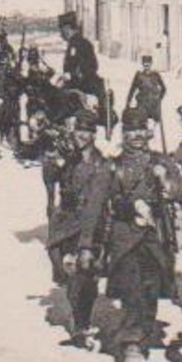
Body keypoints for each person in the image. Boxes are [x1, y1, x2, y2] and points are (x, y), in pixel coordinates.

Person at [78, 122, 177, 362]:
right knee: (132, 291)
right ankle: (131, 348)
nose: (136, 136)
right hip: (124, 240)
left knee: (150, 292)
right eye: (130, 131)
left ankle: (141, 345)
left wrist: (166, 180)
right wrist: (86, 244)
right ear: (124, 135)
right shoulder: (112, 167)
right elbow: (94, 207)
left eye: (140, 130)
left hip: (156, 238)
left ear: (148, 133)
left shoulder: (162, 162)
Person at [49, 117, 110, 349]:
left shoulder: (101, 163)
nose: (82, 135)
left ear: (94, 134)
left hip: (91, 223)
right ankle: (80, 322)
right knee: (72, 272)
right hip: (68, 224)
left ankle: (81, 321)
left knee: (87, 275)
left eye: (87, 131)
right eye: (79, 131)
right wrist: (55, 162)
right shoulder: (68, 156)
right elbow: (51, 179)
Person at [60, 12, 108, 130]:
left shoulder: (80, 43)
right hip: (76, 83)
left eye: (62, 30)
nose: (61, 34)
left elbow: (90, 66)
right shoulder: (74, 42)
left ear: (67, 28)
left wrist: (71, 75)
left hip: (84, 85)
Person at [123, 54, 167, 136]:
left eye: (148, 64)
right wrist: (128, 103)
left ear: (151, 64)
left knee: (155, 122)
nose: (147, 66)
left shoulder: (156, 75)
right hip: (142, 103)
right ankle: (143, 136)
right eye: (145, 64)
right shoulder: (138, 75)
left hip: (154, 104)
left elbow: (164, 88)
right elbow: (132, 90)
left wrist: (159, 99)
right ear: (142, 64)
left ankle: (153, 135)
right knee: (141, 121)